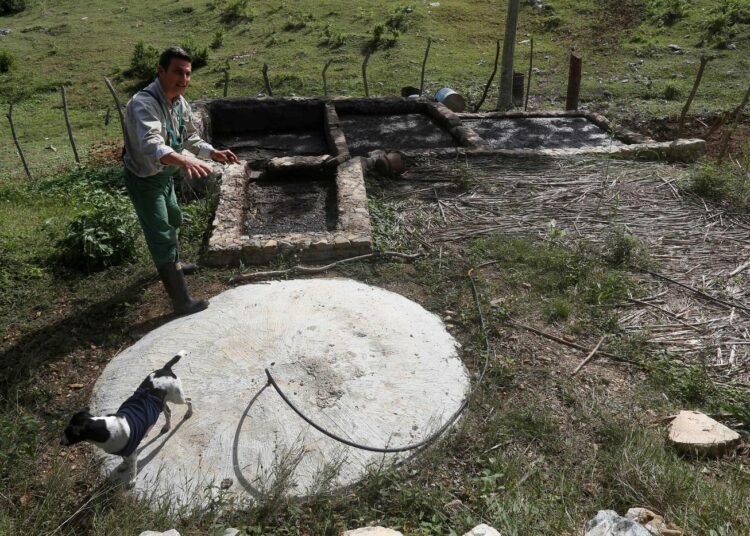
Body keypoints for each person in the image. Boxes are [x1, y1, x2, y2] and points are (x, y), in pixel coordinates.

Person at [123, 46, 238, 315]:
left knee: (174, 218)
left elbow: (190, 138)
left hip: (164, 174)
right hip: (145, 178)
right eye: (177, 72)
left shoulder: (179, 103)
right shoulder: (144, 104)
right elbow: (151, 145)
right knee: (161, 232)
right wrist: (185, 160)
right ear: (160, 71)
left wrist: (213, 153)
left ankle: (174, 263)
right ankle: (181, 301)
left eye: (187, 74)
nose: (183, 79)